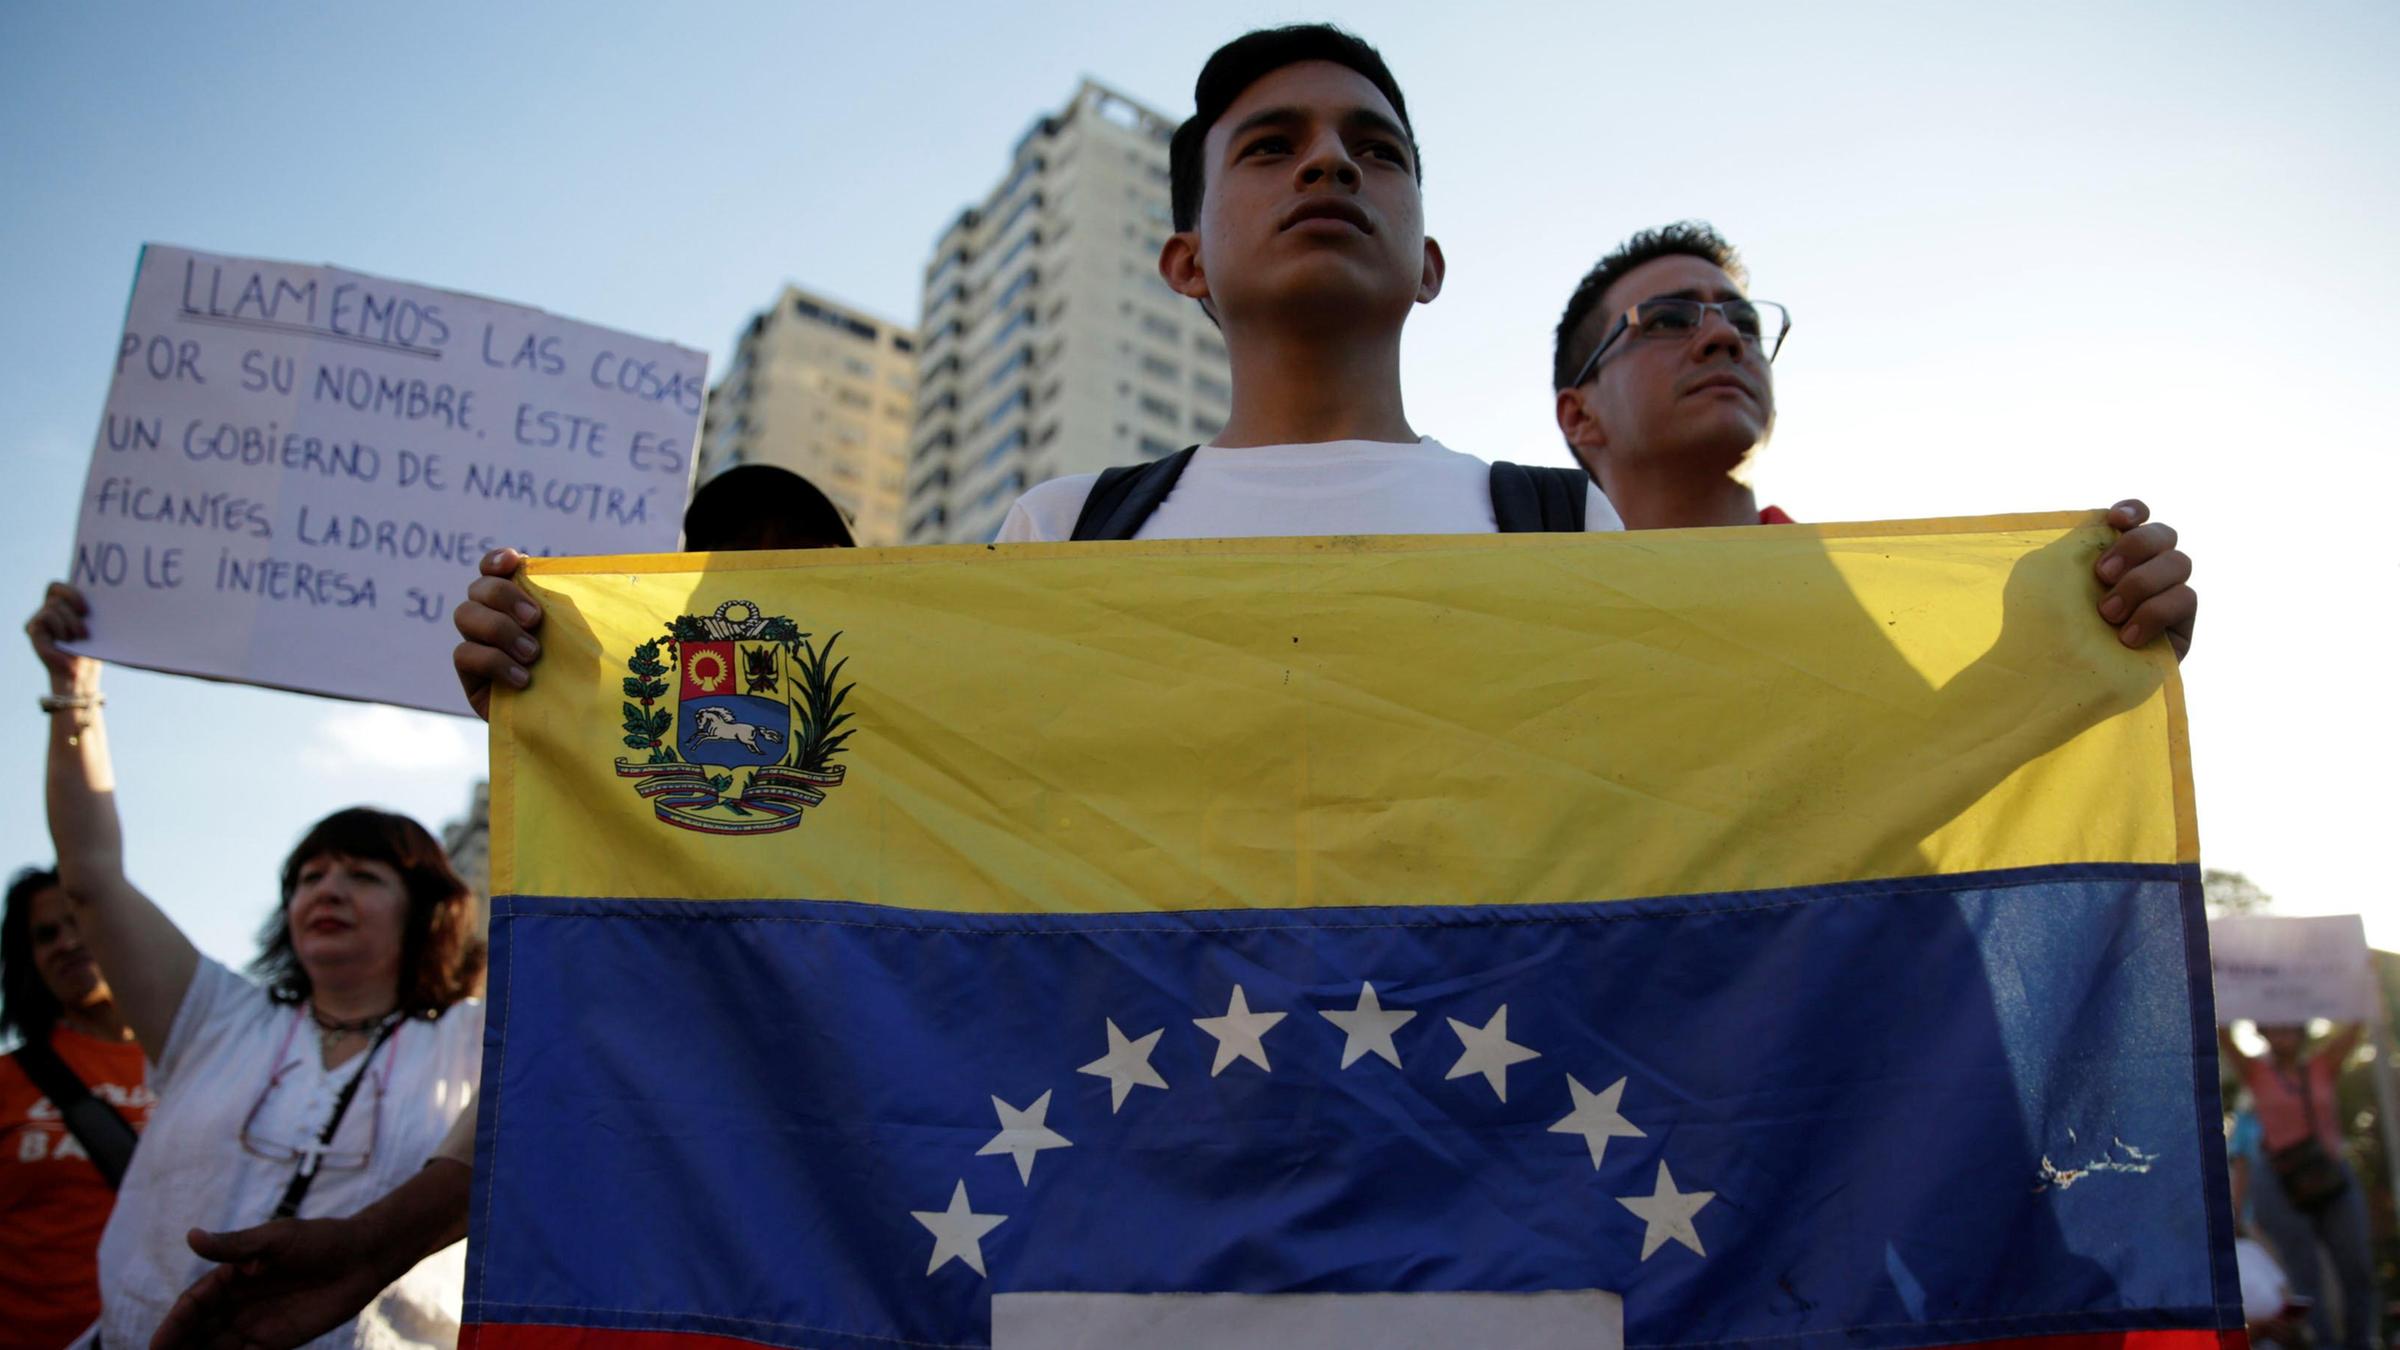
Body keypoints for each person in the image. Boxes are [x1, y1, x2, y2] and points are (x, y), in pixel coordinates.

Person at [156, 463, 860, 1350]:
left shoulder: (943, 822)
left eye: (799, 560)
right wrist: (375, 1244)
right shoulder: (644, 822)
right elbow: (564, 1052)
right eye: (718, 563)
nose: (754, 584)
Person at [28, 583, 485, 1349]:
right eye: (310, 876)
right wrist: (73, 696)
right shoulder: (213, 1017)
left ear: (430, 911)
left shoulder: (477, 1041)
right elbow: (91, 876)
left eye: (364, 876)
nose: (328, 889)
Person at [1552, 221, 2197, 657]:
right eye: (1667, 319)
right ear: (1579, 414)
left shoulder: (1902, 617)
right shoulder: (1530, 622)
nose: (1724, 338)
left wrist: (2098, 652)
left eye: (1744, 321)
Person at [3, 866, 153, 1349]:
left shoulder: (198, 1069)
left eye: (80, 922)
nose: (68, 943)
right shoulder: (7, 1081)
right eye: (46, 935)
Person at [2220, 1022, 2376, 1350]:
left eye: (2289, 1028)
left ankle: (2361, 1341)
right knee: (2304, 1274)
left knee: (2357, 1266)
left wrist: (2366, 975)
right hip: (2280, 1182)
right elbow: (2222, 1033)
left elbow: (2354, 1026)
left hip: (2331, 1175)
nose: (2283, 1035)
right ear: (2263, 1032)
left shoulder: (2323, 1066)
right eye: (2275, 1029)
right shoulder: (2256, 1072)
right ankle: (2321, 1343)